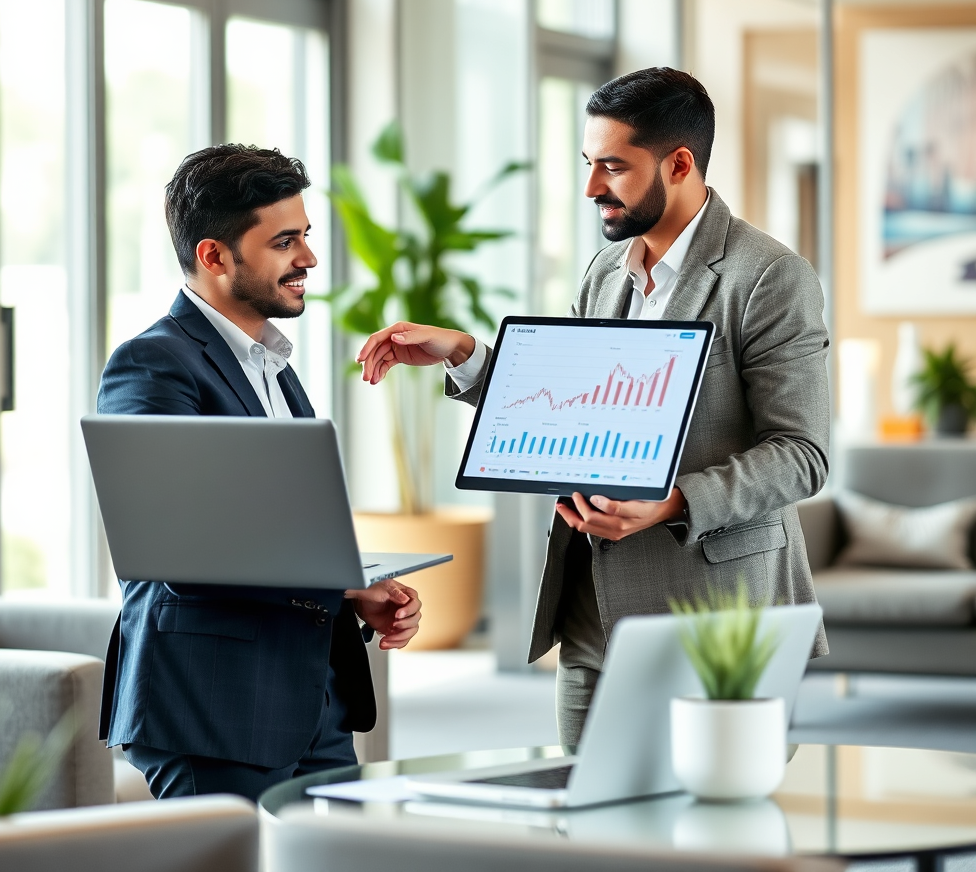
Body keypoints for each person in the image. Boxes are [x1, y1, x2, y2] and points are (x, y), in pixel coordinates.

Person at [357, 67, 829, 745]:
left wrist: (673, 501)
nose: (590, 188)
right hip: (593, 607)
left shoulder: (768, 277)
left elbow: (803, 455)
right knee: (588, 824)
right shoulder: (605, 272)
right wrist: (466, 356)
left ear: (680, 163)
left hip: (716, 614)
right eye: (588, 163)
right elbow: (569, 412)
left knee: (704, 837)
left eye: (613, 166)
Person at [98, 144, 422, 800]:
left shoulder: (273, 367)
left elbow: (277, 527)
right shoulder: (152, 366)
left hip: (312, 707)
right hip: (214, 708)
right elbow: (177, 541)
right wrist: (338, 587)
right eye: (284, 241)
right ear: (215, 255)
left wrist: (356, 591)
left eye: (305, 236)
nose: (308, 258)